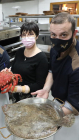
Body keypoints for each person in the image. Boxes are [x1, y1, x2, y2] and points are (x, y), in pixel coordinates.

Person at [31, 12, 79, 140]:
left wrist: (47, 116)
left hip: (73, 109)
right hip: (59, 102)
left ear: (74, 34)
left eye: (63, 35)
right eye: (53, 35)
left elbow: (74, 104)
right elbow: (52, 71)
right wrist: (46, 89)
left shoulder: (77, 62)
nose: (57, 40)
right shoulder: (55, 49)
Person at [9, 22, 48, 102]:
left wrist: (20, 88)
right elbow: (14, 71)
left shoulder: (41, 58)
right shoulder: (19, 52)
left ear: (36, 36)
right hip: (16, 97)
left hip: (31, 99)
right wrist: (8, 73)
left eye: (30, 34)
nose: (27, 37)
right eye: (24, 34)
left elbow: (40, 84)